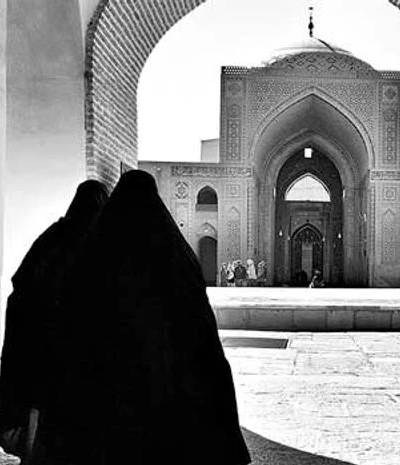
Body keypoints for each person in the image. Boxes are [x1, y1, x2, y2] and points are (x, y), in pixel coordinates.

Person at [37, 170, 250, 465]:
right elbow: (199, 327)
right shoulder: (177, 255)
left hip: (106, 384)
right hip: (168, 380)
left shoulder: (95, 254)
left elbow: (73, 320)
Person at [0, 180, 109, 462]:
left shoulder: (53, 237)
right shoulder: (101, 244)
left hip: (40, 345)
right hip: (78, 351)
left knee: (39, 409)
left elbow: (21, 286)